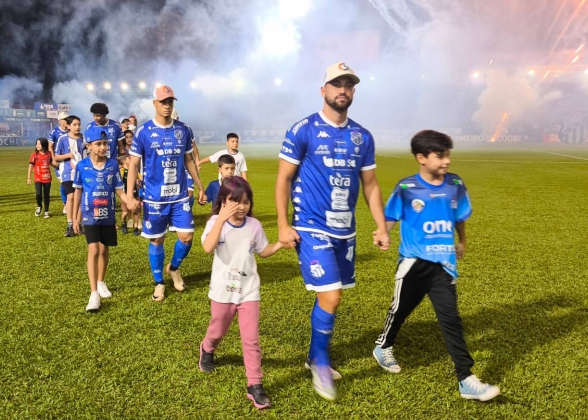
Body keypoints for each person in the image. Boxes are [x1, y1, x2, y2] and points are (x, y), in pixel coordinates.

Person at [275, 62, 391, 401]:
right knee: (332, 294)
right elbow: (283, 179)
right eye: (336, 84)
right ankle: (320, 362)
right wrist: (283, 223)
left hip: (346, 230)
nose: (343, 89)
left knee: (331, 295)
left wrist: (381, 225)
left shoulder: (362, 136)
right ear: (323, 90)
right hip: (311, 226)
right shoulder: (303, 130)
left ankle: (315, 354)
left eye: (349, 85)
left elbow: (369, 185)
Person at [372, 130, 500, 401]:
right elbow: (391, 216)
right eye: (439, 156)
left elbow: (459, 214)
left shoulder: (455, 183)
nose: (446, 161)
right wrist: (383, 233)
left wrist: (462, 240)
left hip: (444, 264)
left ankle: (466, 378)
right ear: (421, 158)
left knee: (451, 319)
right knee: (400, 310)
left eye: (448, 155)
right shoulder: (407, 188)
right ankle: (383, 346)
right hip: (414, 263)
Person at [198, 176, 285, 410]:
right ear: (223, 202)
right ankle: (207, 347)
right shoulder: (216, 222)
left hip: (248, 291)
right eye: (234, 202)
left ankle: (255, 384)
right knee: (218, 330)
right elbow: (207, 248)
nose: (241, 207)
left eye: (245, 202)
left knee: (251, 339)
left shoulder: (254, 225)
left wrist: (279, 244)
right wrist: (220, 220)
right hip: (222, 292)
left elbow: (263, 251)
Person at [126, 85, 206, 302]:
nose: (167, 106)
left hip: (180, 196)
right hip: (154, 198)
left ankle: (174, 267)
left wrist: (199, 186)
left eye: (170, 102)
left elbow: (189, 160)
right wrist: (130, 195)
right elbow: (133, 165)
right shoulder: (143, 132)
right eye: (163, 102)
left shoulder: (183, 130)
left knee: (187, 237)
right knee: (157, 241)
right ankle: (159, 282)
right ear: (154, 103)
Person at [73, 128, 127, 312]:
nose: (103, 147)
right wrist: (74, 218)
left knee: (104, 249)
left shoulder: (113, 165)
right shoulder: (82, 166)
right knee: (94, 249)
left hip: (108, 215)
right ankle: (94, 293)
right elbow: (78, 192)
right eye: (98, 144)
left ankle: (101, 281)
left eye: (105, 143)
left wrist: (129, 200)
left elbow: (119, 189)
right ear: (89, 146)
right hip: (89, 215)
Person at [54, 115, 84, 237]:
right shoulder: (63, 139)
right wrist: (68, 155)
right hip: (67, 173)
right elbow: (56, 157)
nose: (77, 127)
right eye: (74, 124)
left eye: (79, 124)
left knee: (81, 198)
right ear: (69, 126)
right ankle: (70, 224)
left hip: (82, 173)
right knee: (71, 197)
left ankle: (79, 223)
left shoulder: (84, 139)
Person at [28, 137, 56, 218]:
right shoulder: (34, 155)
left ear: (44, 145)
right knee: (38, 194)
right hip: (38, 178)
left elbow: (52, 163)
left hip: (47, 178)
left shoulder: (49, 154)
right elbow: (30, 166)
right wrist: (29, 177)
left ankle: (46, 211)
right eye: (36, 144)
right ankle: (39, 206)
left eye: (39, 144)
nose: (37, 145)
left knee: (46, 195)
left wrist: (59, 167)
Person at [50, 112, 70, 213]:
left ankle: (72, 202)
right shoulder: (55, 132)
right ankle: (65, 203)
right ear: (60, 120)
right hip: (60, 161)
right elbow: (50, 146)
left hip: (70, 160)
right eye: (65, 119)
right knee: (63, 182)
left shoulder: (71, 130)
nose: (67, 120)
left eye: (68, 118)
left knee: (72, 181)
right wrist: (53, 160)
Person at [119, 154, 142, 235]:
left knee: (137, 211)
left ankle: (136, 228)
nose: (131, 159)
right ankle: (123, 223)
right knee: (125, 212)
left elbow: (141, 178)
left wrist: (139, 181)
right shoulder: (121, 171)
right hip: (125, 195)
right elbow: (119, 181)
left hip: (135, 194)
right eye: (128, 158)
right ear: (124, 161)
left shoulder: (134, 171)